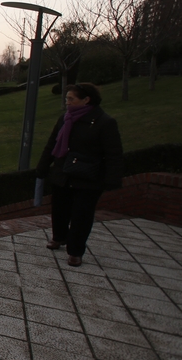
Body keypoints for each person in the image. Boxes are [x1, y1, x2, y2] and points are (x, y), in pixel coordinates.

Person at [35, 83, 123, 267]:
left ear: (86, 100)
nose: (67, 102)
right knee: (59, 208)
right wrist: (43, 166)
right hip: (63, 172)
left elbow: (113, 153)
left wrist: (112, 179)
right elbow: (52, 144)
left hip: (88, 177)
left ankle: (75, 250)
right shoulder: (65, 119)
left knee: (82, 215)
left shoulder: (104, 123)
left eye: (71, 99)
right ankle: (59, 237)